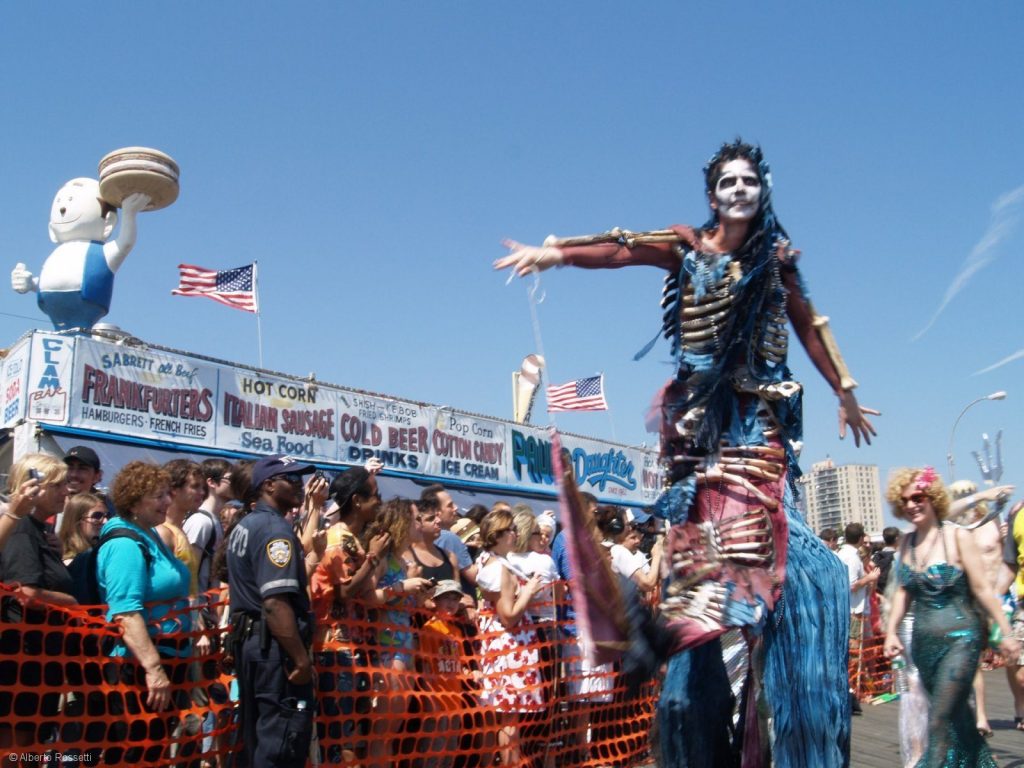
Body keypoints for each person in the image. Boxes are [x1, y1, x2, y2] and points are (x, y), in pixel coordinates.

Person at [495, 138, 879, 767]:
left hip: (758, 429)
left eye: (747, 181)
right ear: (711, 194)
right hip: (701, 437)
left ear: (763, 189)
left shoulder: (777, 262)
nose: (737, 190)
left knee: (803, 570)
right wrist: (556, 253)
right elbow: (623, 248)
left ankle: (671, 637)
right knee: (728, 545)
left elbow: (811, 324)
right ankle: (665, 637)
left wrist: (847, 390)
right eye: (726, 182)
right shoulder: (686, 247)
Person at [883, 467, 1019, 768]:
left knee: (939, 719)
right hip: (923, 644)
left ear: (933, 498)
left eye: (918, 497)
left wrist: (1006, 632)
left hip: (962, 639)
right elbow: (904, 593)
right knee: (960, 721)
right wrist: (892, 632)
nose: (911, 505)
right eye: (904, 500)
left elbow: (983, 589)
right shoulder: (906, 543)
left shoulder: (958, 537)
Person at [97, 460, 194, 764]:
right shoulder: (126, 543)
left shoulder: (149, 533)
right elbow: (125, 612)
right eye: (159, 496)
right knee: (139, 751)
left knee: (154, 749)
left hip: (166, 658)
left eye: (168, 494)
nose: (168, 501)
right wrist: (154, 670)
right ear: (135, 500)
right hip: (139, 666)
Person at [226, 455, 316, 768]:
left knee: (257, 738)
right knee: (281, 740)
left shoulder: (247, 523)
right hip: (274, 649)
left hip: (253, 644)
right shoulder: (275, 530)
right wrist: (301, 658)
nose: (299, 485)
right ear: (268, 485)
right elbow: (275, 602)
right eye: (290, 479)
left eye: (299, 478)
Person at [309, 465, 388, 766]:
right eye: (375, 496)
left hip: (351, 650)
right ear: (357, 501)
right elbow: (345, 592)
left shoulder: (353, 540)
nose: (379, 502)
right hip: (334, 650)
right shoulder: (339, 539)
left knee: (349, 734)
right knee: (337, 736)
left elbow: (366, 594)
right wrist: (374, 557)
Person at [0, 453, 75, 752]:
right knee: (15, 749)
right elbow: (27, 593)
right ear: (34, 486)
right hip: (23, 660)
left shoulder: (40, 531)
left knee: (29, 749)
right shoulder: (20, 529)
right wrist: (71, 602)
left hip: (39, 660)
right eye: (58, 485)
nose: (66, 491)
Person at [475, 509, 545, 767]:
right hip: (509, 647)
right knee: (509, 721)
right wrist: (528, 591)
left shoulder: (487, 561)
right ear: (498, 535)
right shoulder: (501, 569)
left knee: (502, 719)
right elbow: (509, 615)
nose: (516, 534)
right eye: (510, 530)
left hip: (501, 646)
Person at [58, 491, 106, 564]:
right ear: (77, 520)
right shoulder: (70, 564)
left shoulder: (101, 555)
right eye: (97, 516)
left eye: (106, 516)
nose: (105, 521)